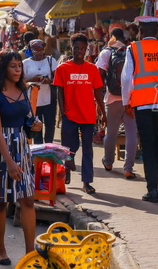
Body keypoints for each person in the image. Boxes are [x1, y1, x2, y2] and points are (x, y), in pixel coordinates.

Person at [0, 51, 42, 266]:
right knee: (1, 201)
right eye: (13, 66)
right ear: (3, 68)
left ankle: (29, 253)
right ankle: (1, 250)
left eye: (19, 66)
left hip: (22, 146)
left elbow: (27, 120)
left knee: (28, 199)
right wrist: (9, 162)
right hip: (1, 149)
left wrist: (35, 126)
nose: (17, 70)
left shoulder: (24, 90)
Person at [121, 16, 158, 203]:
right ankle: (154, 181)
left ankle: (152, 188)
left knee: (147, 143)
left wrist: (126, 101)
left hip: (142, 103)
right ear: (157, 32)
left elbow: (127, 78)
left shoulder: (133, 49)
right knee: (156, 141)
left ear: (142, 32)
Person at [53, 33, 106, 195]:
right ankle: (67, 169)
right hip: (70, 115)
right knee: (69, 148)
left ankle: (87, 182)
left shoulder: (92, 69)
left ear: (86, 49)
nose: (79, 51)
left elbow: (98, 92)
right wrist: (63, 112)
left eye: (83, 48)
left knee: (88, 149)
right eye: (76, 48)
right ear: (72, 48)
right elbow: (59, 92)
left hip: (88, 116)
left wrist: (103, 112)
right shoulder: (62, 69)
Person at [96, 28, 137, 180]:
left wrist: (99, 100)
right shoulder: (132, 51)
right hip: (131, 99)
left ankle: (108, 162)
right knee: (131, 134)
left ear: (112, 37)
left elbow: (99, 76)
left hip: (112, 98)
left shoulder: (106, 52)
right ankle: (128, 168)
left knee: (111, 133)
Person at [22, 39, 58, 144]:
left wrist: (48, 81)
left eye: (41, 49)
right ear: (31, 50)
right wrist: (32, 80)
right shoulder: (26, 63)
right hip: (33, 100)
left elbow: (57, 79)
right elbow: (21, 81)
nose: (39, 52)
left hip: (49, 99)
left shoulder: (51, 61)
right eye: (36, 50)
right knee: (36, 126)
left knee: (50, 125)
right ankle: (39, 152)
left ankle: (49, 148)